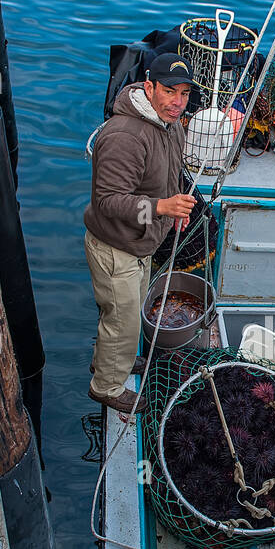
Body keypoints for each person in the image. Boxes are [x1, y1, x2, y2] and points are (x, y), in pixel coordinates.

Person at [84, 54, 197, 414]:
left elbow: (172, 174)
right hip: (116, 246)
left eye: (184, 93)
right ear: (148, 87)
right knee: (122, 320)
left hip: (143, 243)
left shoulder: (171, 124)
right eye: (168, 91)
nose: (177, 102)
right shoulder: (124, 137)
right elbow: (108, 202)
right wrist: (163, 208)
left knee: (126, 320)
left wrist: (174, 211)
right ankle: (106, 386)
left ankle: (110, 361)